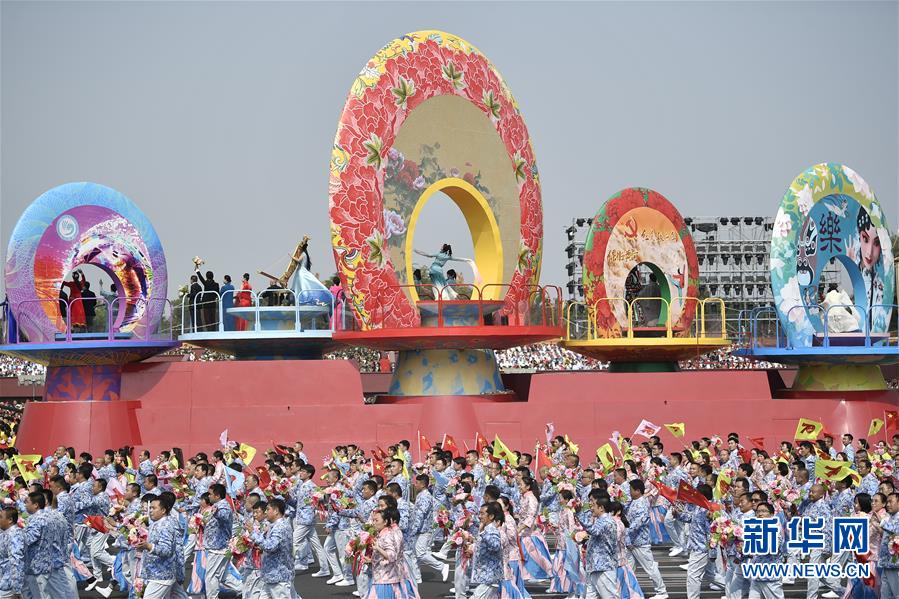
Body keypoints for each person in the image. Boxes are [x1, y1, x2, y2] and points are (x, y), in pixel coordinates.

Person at [365, 506, 418, 598]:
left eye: (376, 520)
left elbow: (392, 556)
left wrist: (378, 548)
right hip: (382, 577)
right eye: (373, 520)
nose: (373, 523)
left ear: (386, 522)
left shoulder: (388, 535)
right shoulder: (382, 534)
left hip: (385, 579)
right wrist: (370, 560)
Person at [249, 497, 294, 599]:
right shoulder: (275, 525)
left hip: (278, 577)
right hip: (271, 575)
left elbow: (270, 546)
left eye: (268, 509)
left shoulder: (280, 527)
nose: (265, 512)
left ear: (276, 511)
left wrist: (254, 534)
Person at [470, 502, 504, 599]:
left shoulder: (491, 530)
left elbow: (496, 546)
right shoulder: (486, 529)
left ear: (491, 516)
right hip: (486, 575)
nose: (480, 516)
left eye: (482, 513)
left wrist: (483, 535)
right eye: (479, 513)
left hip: (489, 576)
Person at [0, 505, 24, 599]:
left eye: (1, 517)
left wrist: (17, 589)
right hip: (5, 579)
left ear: (10, 520)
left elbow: (16, 561)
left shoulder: (15, 535)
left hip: (10, 582)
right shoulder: (6, 532)